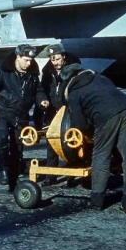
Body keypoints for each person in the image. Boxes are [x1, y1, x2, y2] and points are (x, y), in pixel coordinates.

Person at [59, 63, 126, 213]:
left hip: (106, 116)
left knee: (101, 156)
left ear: (68, 79)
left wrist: (91, 132)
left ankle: (97, 201)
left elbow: (78, 124)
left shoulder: (74, 91)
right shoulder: (101, 78)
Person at [0, 44, 49, 190]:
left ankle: (14, 175)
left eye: (30, 60)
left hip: (21, 115)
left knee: (18, 145)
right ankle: (4, 168)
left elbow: (38, 91)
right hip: (3, 112)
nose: (28, 63)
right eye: (26, 60)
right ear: (17, 58)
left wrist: (42, 99)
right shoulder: (3, 72)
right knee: (3, 140)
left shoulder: (33, 75)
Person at [34, 43, 81, 187]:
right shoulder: (48, 73)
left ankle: (72, 173)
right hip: (52, 113)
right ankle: (51, 175)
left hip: (69, 113)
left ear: (64, 57)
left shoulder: (74, 70)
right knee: (51, 144)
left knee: (71, 143)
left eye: (58, 59)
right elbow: (42, 89)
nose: (55, 62)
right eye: (53, 59)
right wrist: (42, 100)